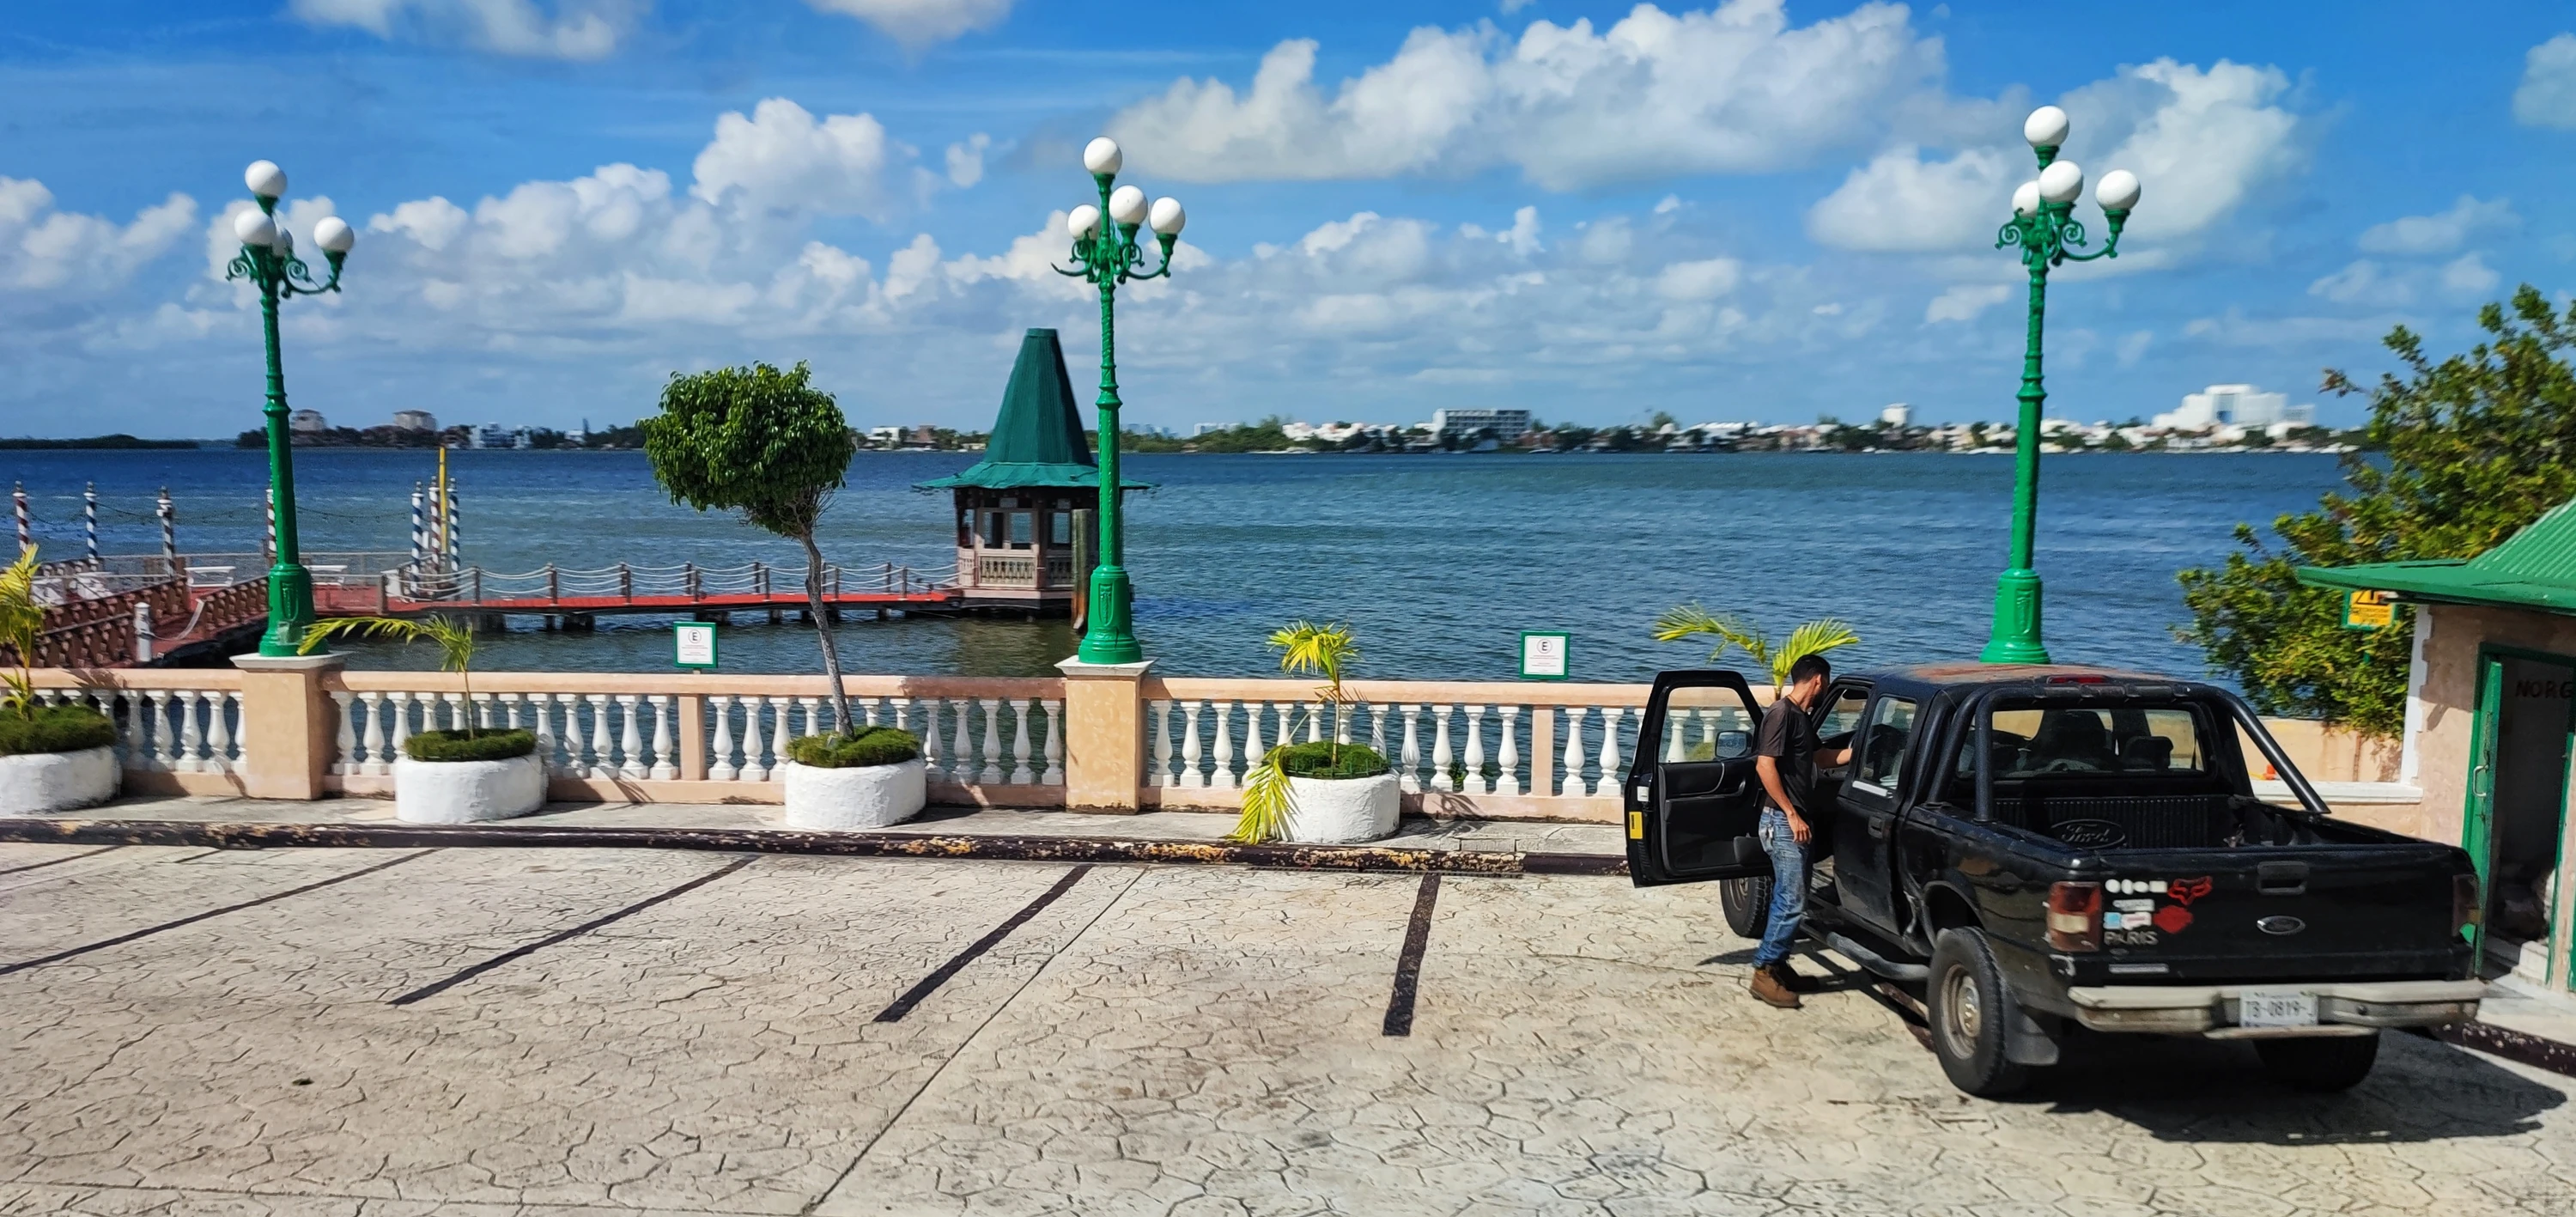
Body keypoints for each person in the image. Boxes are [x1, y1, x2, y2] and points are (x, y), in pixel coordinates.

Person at [1747, 653, 1854, 1010]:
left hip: (1789, 821)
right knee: (1792, 902)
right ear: (1819, 681)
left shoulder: (1801, 718)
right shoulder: (1781, 714)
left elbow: (1822, 759)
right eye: (1826, 682)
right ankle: (1764, 971)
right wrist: (1791, 813)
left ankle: (1777, 966)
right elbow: (1765, 766)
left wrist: (1862, 750)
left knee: (1790, 898)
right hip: (1781, 821)